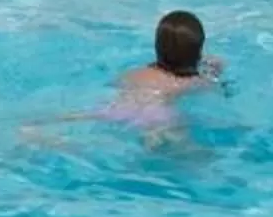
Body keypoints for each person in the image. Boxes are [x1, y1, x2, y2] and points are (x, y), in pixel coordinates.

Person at [27, 10, 224, 147]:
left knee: (82, 117)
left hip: (117, 108)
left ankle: (36, 130)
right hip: (157, 115)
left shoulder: (138, 72)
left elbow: (116, 83)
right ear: (196, 53)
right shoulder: (190, 82)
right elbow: (215, 83)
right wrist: (214, 70)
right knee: (185, 155)